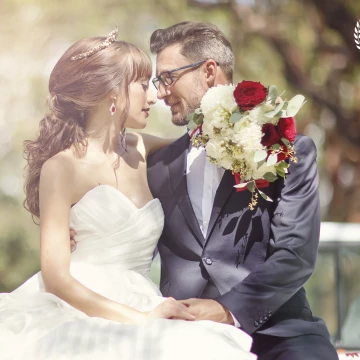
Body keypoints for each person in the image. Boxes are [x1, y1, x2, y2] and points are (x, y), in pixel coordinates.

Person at [0, 27, 256, 360]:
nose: (154, 97)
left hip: (146, 295)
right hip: (80, 302)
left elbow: (207, 138)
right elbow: (56, 277)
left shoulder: (143, 148)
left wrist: (258, 121)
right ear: (111, 93)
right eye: (142, 85)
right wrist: (140, 319)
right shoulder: (61, 168)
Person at [147, 21, 339, 360]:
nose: (160, 92)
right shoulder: (158, 166)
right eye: (156, 81)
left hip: (277, 336)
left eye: (167, 77)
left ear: (208, 71)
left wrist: (225, 310)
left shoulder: (286, 149)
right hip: (177, 338)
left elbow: (294, 254)